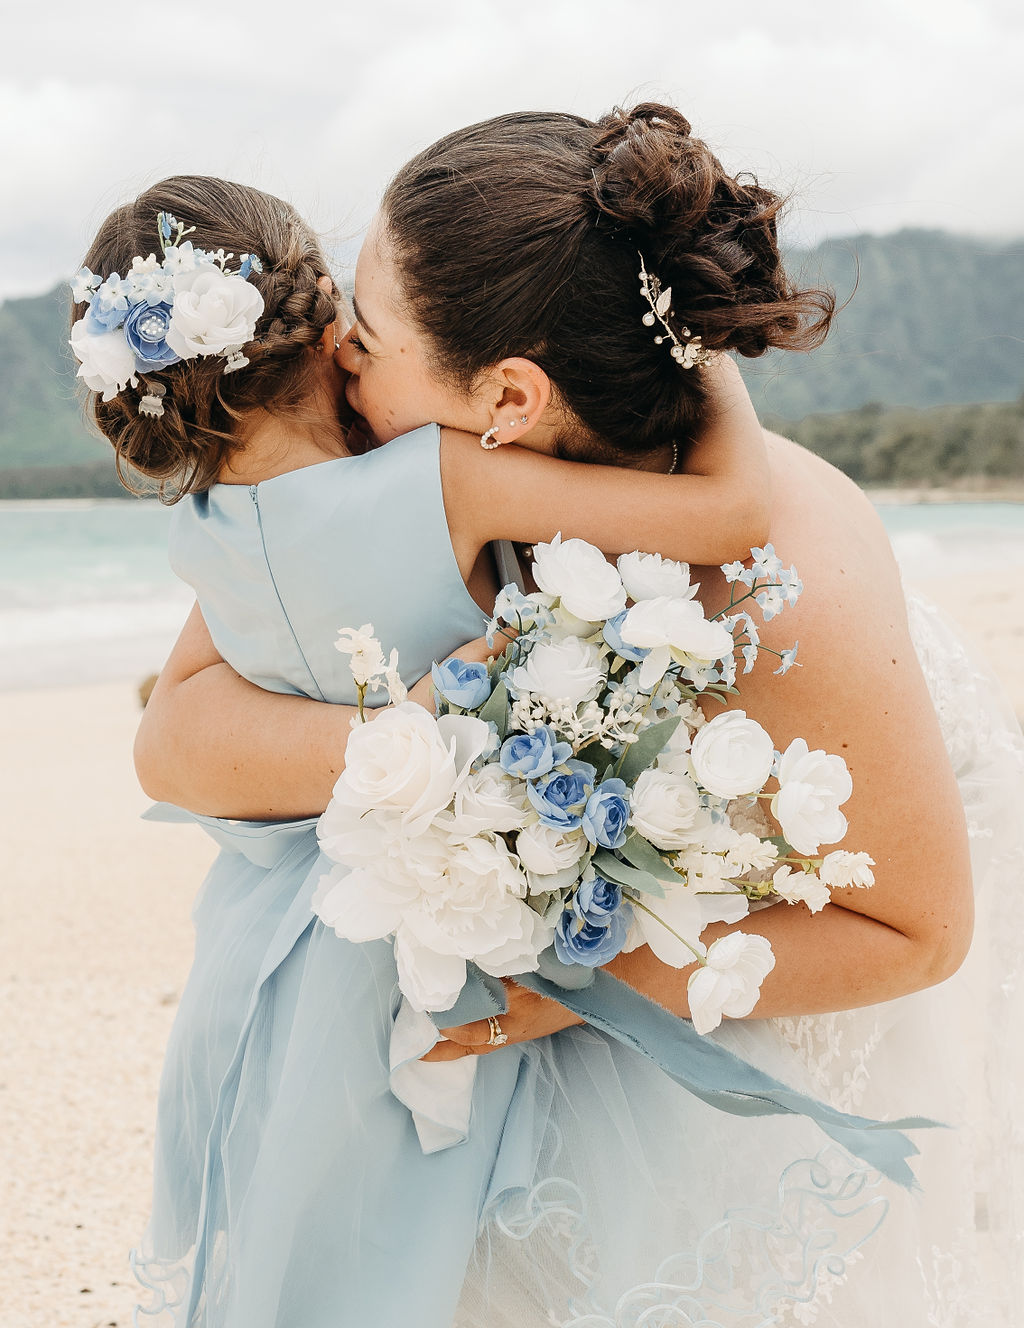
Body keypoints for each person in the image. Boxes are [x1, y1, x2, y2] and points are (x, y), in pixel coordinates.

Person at [137, 106, 1024, 1326]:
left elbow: (917, 932)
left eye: (368, 334)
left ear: (507, 393)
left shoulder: (793, 578)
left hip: (768, 1001)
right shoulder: (398, 478)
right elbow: (178, 734)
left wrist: (588, 981)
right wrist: (438, 759)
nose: (332, 352)